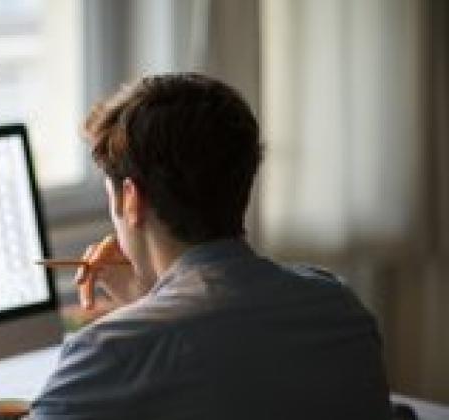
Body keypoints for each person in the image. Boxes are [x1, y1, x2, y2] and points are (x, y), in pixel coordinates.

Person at [29, 73, 390, 420]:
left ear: (131, 200)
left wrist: (143, 315)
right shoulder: (339, 307)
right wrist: (151, 302)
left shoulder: (109, 350)